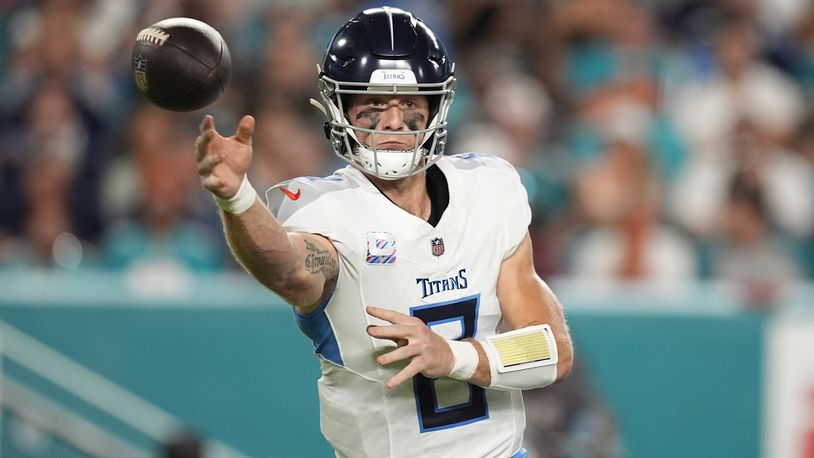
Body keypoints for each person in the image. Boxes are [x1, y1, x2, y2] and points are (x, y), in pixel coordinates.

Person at [194, 7, 573, 457]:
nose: (393, 122)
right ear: (341, 107)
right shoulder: (325, 209)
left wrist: (454, 356)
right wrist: (237, 198)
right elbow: (289, 268)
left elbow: (551, 351)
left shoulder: (489, 189)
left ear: (437, 106)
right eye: (373, 104)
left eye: (409, 103)